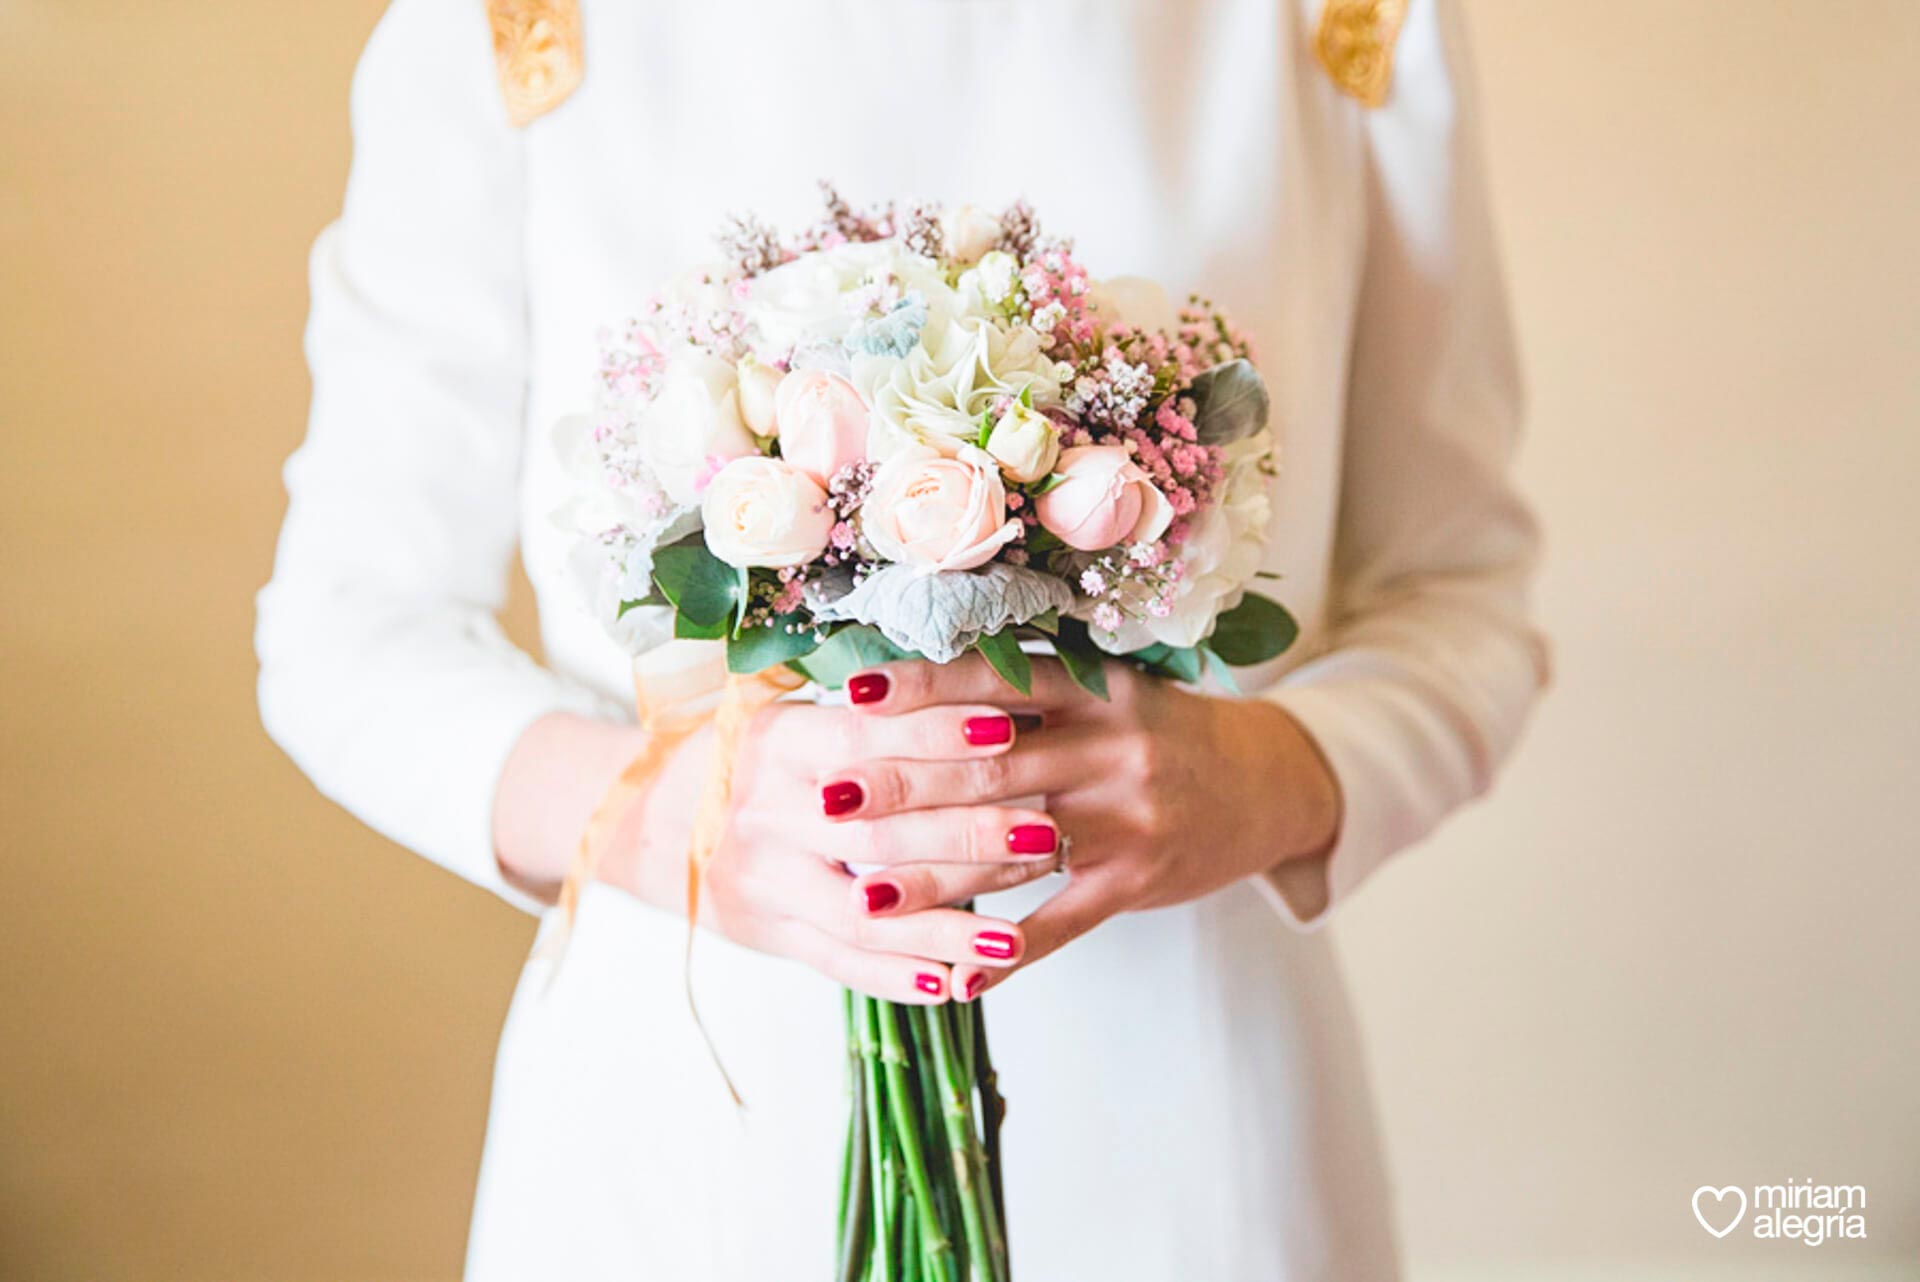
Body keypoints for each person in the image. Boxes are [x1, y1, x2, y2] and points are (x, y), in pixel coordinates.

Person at [257, 0, 1547, 1277]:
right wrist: (677, 818)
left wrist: (1271, 776)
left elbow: (1461, 587)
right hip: (685, 1119)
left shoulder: (1343, 22)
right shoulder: (509, 25)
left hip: (1190, 1136)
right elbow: (351, 627)